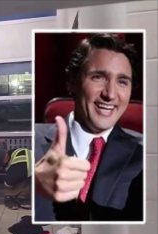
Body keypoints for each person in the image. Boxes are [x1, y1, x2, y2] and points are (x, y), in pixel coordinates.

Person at [34, 33, 143, 222]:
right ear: (71, 82)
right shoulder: (32, 139)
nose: (110, 94)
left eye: (122, 81)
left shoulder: (145, 154)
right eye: (98, 77)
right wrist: (33, 184)